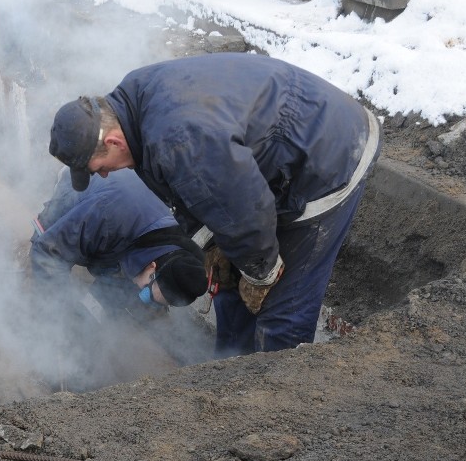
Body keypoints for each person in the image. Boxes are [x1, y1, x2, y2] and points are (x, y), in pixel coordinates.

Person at [46, 52, 382, 355]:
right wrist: (211, 246)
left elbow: (247, 213)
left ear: (113, 141)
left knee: (281, 310)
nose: (104, 176)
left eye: (100, 168)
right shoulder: (132, 108)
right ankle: (228, 380)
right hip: (266, 158)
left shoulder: (180, 141)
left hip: (326, 155)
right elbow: (196, 194)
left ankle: (274, 408)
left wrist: (262, 275)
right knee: (227, 285)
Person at [29, 166, 207, 319]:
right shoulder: (106, 217)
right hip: (82, 182)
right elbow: (47, 251)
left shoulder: (169, 248)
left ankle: (91, 315)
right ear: (152, 267)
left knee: (121, 280)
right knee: (46, 253)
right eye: (146, 293)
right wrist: (68, 313)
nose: (141, 293)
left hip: (123, 209)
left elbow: (127, 280)